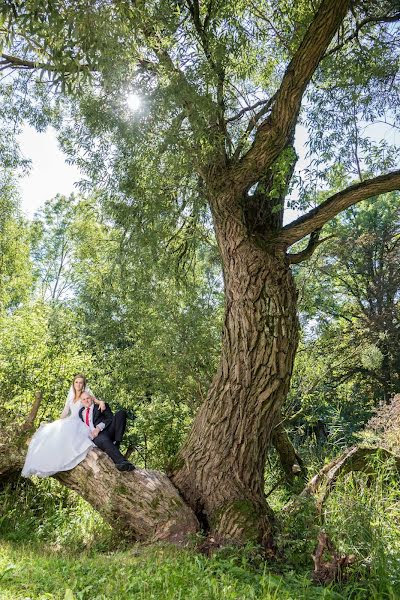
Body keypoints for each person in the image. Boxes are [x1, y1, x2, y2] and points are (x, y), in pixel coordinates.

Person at [21, 374, 105, 478]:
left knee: (72, 437)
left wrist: (101, 402)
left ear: (83, 385)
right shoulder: (71, 396)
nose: (78, 385)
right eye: (76, 382)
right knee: (52, 433)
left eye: (81, 383)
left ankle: (88, 457)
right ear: (73, 384)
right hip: (70, 420)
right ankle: (46, 463)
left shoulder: (85, 395)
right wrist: (58, 422)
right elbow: (65, 411)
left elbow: (96, 401)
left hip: (80, 422)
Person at [79, 392, 135, 472]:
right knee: (103, 439)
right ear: (81, 402)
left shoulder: (100, 406)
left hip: (108, 430)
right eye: (84, 399)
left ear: (91, 398)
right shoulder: (80, 413)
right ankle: (122, 462)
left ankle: (117, 442)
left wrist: (98, 428)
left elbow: (110, 418)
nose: (86, 400)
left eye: (88, 398)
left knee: (121, 413)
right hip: (97, 437)